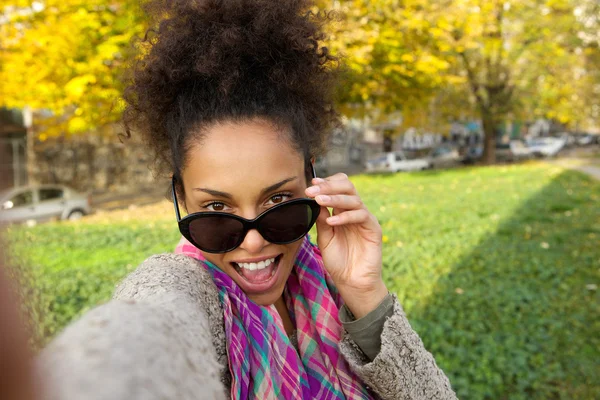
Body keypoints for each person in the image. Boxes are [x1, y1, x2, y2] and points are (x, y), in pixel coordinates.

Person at [39, 1, 457, 399]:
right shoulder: (187, 287)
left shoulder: (332, 285)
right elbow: (142, 330)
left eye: (279, 201)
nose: (253, 242)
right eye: (217, 211)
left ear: (313, 179)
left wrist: (365, 295)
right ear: (180, 196)